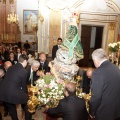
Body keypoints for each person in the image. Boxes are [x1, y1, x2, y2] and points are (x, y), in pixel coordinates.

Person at [89, 48, 120, 120]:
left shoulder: (98, 73)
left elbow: (96, 97)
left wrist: (91, 111)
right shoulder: (116, 68)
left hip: (104, 113)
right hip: (116, 110)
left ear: (95, 59)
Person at [0, 54, 31, 120]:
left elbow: (11, 79)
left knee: (11, 108)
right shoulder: (23, 71)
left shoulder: (11, 67)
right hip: (11, 92)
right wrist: (27, 96)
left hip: (3, 91)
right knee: (28, 104)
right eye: (27, 62)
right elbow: (24, 87)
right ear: (25, 61)